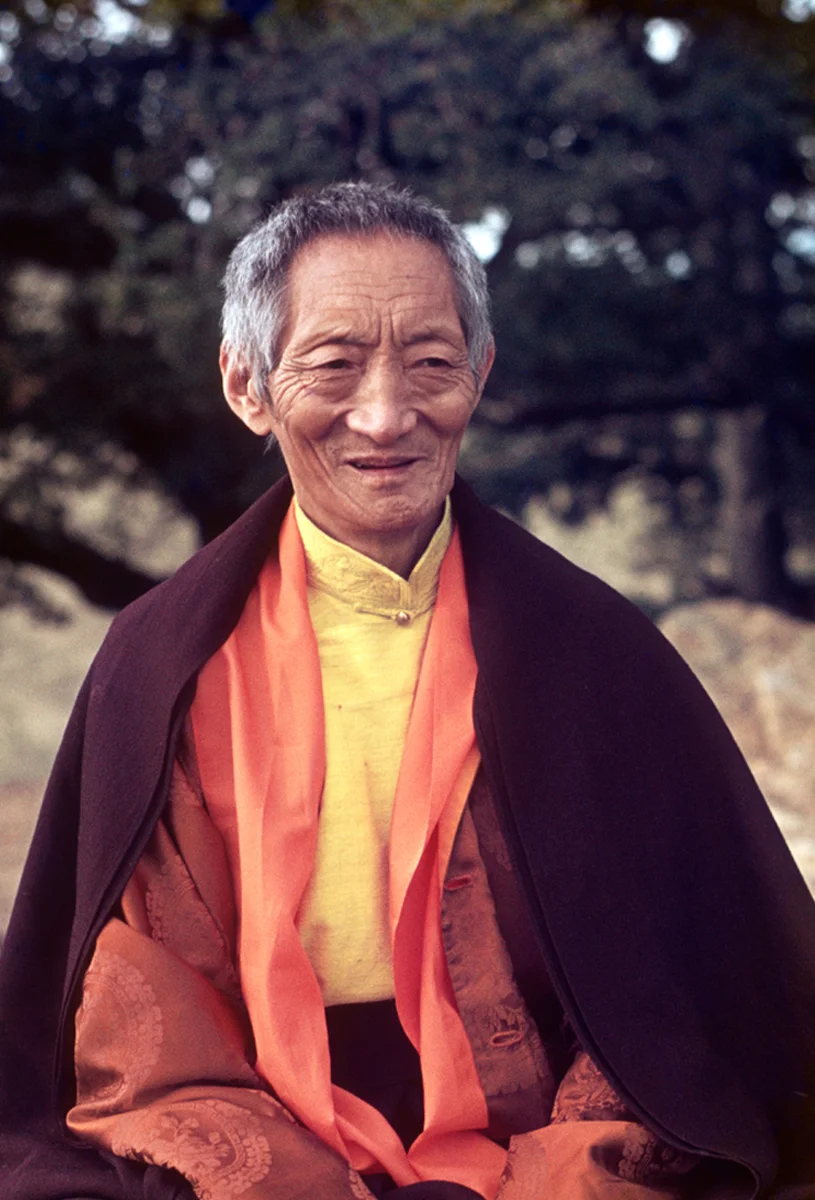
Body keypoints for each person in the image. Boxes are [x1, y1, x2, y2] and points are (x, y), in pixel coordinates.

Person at [0, 182, 814, 1200]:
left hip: (551, 1132)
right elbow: (141, 1014)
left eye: (430, 363)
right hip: (245, 1115)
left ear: (478, 374)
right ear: (246, 385)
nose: (384, 416)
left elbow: (673, 996)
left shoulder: (594, 653)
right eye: (333, 364)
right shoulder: (160, 663)